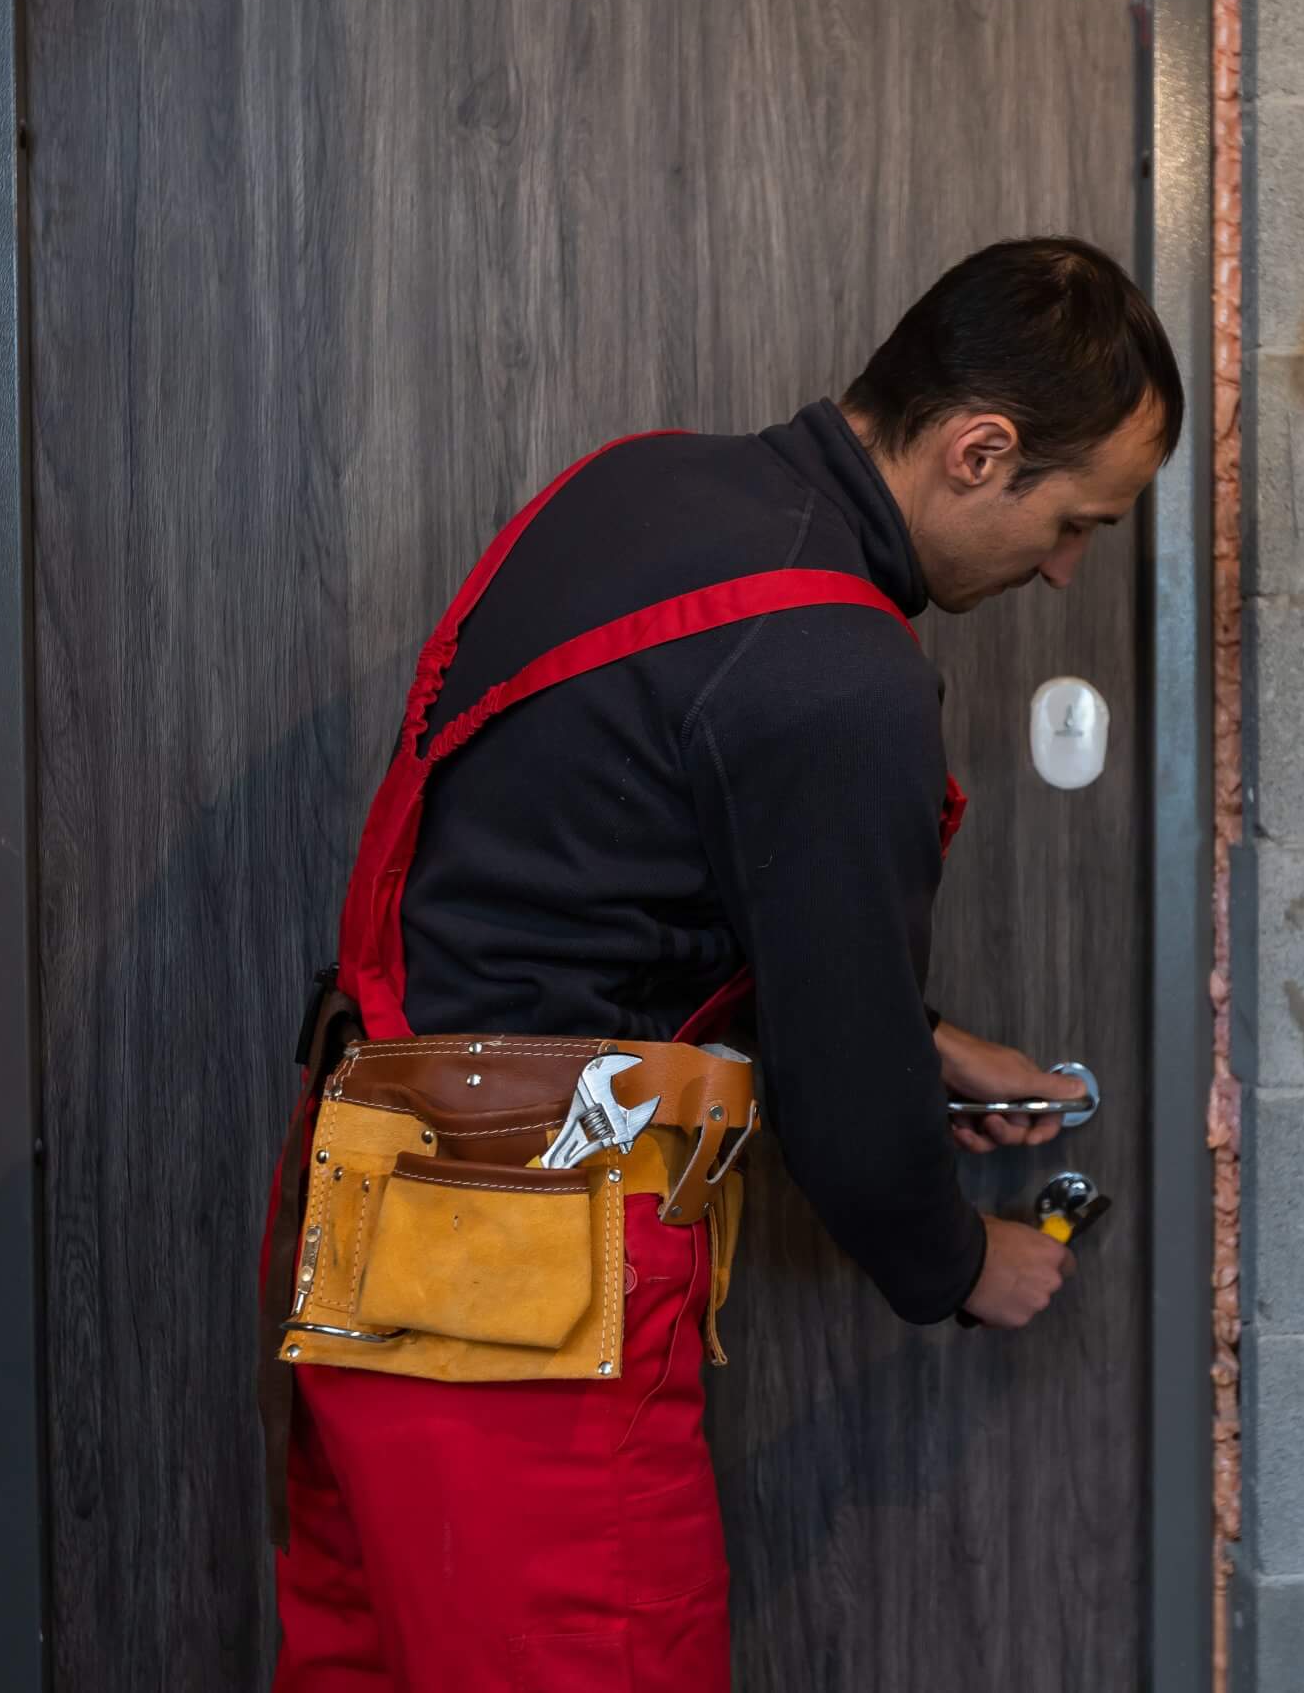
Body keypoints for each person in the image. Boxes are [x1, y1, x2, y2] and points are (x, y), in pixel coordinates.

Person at [266, 235, 1181, 1692]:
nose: (1067, 570)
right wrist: (959, 1262)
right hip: (527, 1274)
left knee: (371, 1667)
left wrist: (923, 1036)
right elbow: (842, 1112)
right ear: (979, 449)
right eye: (1077, 520)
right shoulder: (840, 663)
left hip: (375, 1209)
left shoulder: (640, 487)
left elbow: (601, 877)